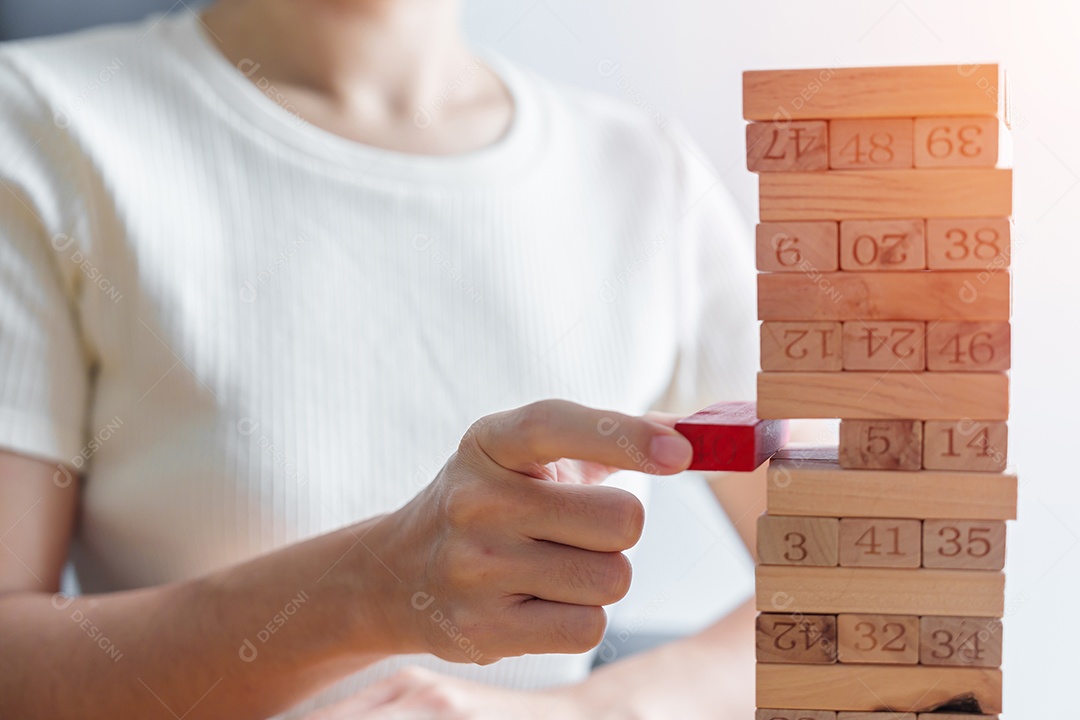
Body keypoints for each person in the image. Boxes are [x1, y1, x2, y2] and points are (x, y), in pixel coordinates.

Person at [0, 0, 761, 717]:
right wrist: (371, 590)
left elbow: (836, 596)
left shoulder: (645, 173)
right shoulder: (37, 120)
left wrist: (580, 710)